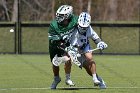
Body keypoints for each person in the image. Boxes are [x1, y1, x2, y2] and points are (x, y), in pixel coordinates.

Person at [53, 12, 108, 89]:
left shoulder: (89, 29)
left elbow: (95, 38)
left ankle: (96, 79)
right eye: (81, 26)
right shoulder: (71, 28)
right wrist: (70, 50)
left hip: (84, 47)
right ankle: (67, 79)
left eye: (84, 27)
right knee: (67, 60)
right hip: (71, 48)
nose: (82, 29)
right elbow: (63, 40)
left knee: (89, 60)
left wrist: (100, 43)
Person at [48, 5, 78, 89]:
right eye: (58, 15)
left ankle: (68, 78)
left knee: (68, 59)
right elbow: (56, 41)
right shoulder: (53, 25)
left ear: (68, 15)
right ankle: (56, 78)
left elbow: (84, 26)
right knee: (55, 63)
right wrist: (67, 48)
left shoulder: (75, 20)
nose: (58, 17)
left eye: (61, 15)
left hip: (68, 43)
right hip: (55, 45)